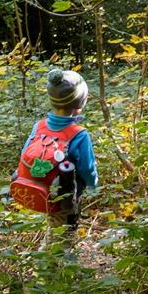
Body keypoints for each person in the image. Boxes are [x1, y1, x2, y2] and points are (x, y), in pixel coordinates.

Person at [10, 69, 99, 236]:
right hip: (63, 195)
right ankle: (51, 261)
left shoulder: (40, 126)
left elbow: (24, 153)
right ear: (79, 103)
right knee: (63, 234)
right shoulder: (79, 134)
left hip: (39, 188)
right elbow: (87, 169)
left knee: (54, 223)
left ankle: (49, 257)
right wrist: (93, 184)